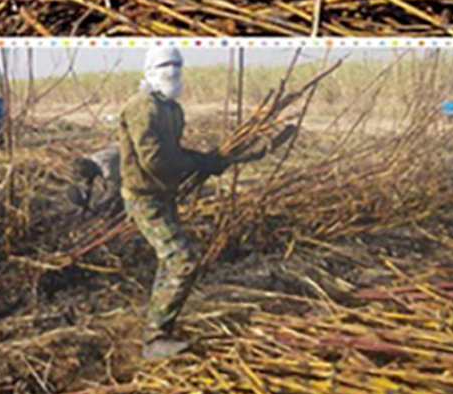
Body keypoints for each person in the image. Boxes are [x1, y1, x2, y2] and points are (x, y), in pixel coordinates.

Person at [118, 46, 292, 360]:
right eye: (164, 66)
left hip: (164, 195)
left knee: (171, 260)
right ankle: (155, 339)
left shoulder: (172, 109)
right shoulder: (143, 107)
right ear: (149, 70)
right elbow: (155, 160)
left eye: (177, 65)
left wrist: (208, 161)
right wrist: (199, 162)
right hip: (145, 199)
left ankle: (157, 328)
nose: (172, 72)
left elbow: (172, 153)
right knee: (182, 258)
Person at [67, 142, 123, 216]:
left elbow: (113, 191)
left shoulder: (107, 170)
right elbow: (88, 182)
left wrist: (98, 206)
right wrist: (85, 203)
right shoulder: (92, 160)